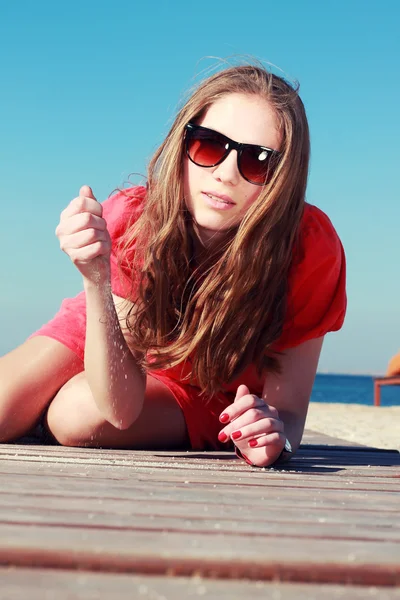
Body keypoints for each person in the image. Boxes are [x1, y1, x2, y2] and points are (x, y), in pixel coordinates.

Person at [0, 63, 346, 468]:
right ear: (183, 143)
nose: (225, 173)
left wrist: (271, 434)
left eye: (258, 160)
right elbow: (122, 394)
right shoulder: (134, 219)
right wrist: (97, 280)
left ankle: (45, 412)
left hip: (208, 386)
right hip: (108, 322)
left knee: (77, 415)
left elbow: (287, 414)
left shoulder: (308, 247)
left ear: (284, 177)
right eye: (209, 146)